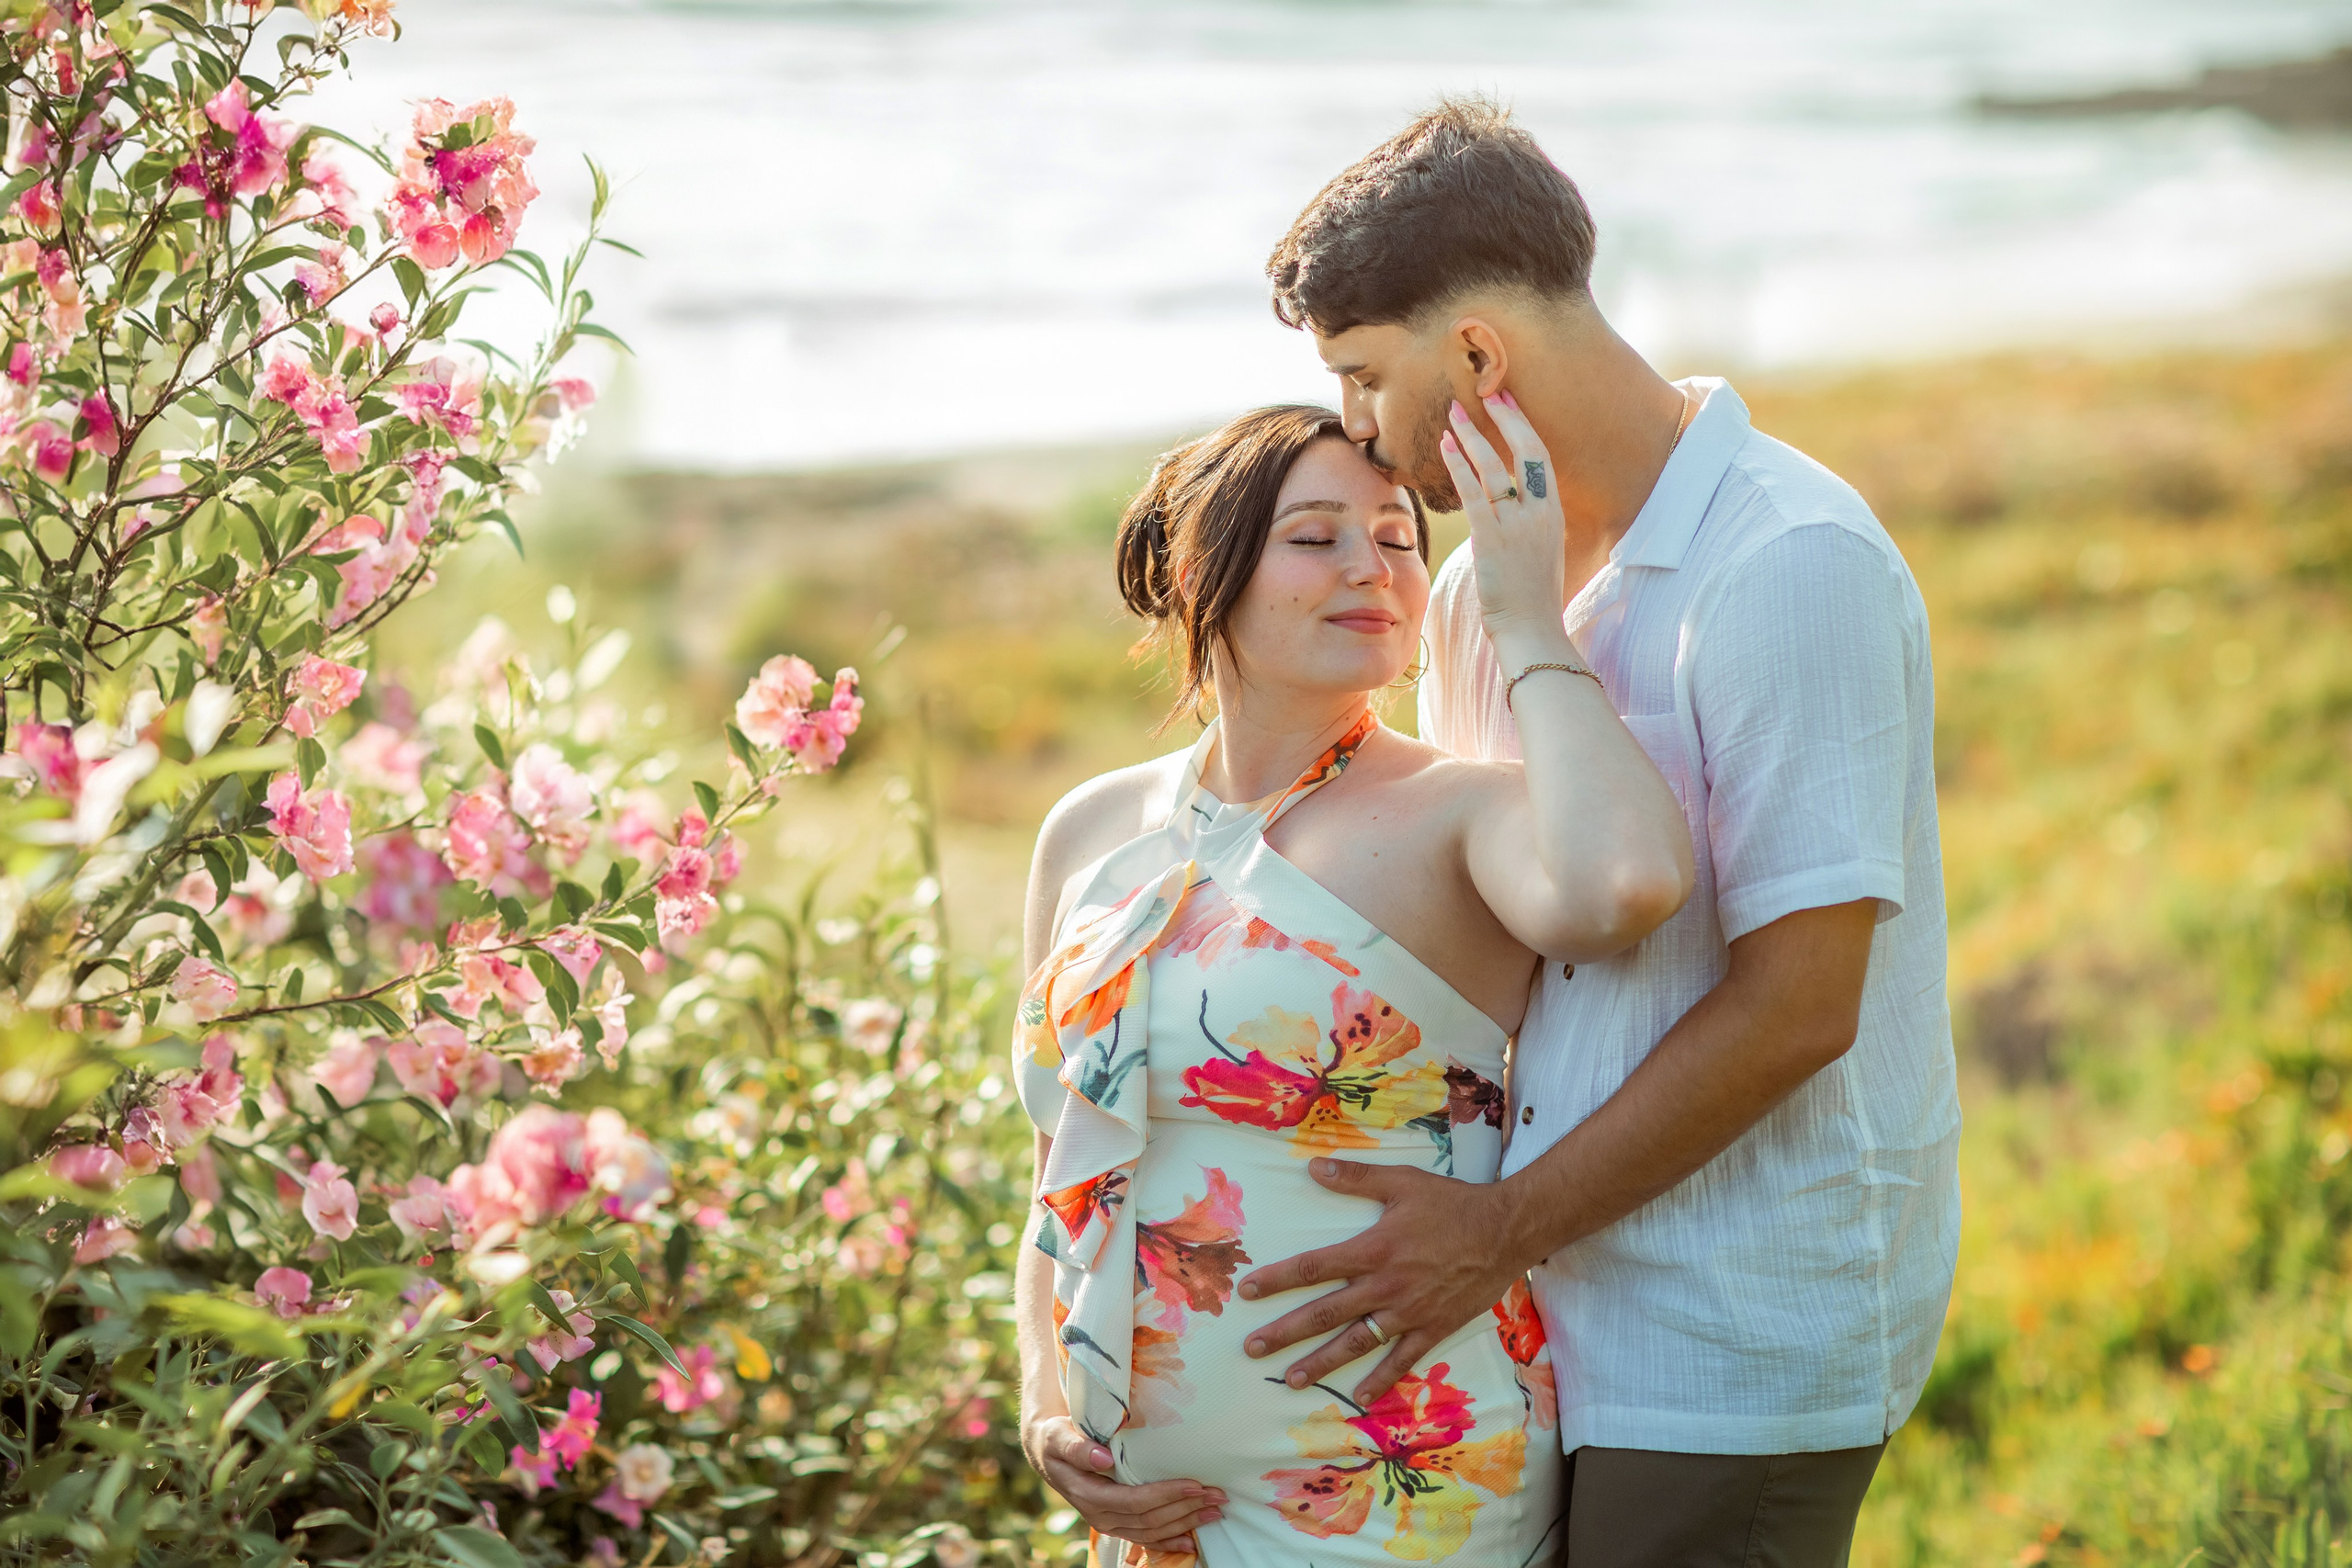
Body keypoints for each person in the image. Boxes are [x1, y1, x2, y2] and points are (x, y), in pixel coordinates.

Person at [1227, 97, 1962, 1567]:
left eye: (1366, 378)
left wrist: (1490, 1229)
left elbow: (1801, 1009)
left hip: (1731, 1334)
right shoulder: (1468, 595)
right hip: (1534, 1317)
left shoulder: (1787, 563)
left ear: (1480, 355)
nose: (1361, 432)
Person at [1012, 401, 1693, 1564]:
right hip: (1152, 1513)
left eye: (1396, 537)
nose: (1371, 568)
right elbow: (1059, 1171)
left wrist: (1524, 615)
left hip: (1408, 1491)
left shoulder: (1455, 815)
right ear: (1200, 572)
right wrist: (1042, 1405)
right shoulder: (1091, 828)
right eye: (1316, 536)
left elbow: (1625, 886)